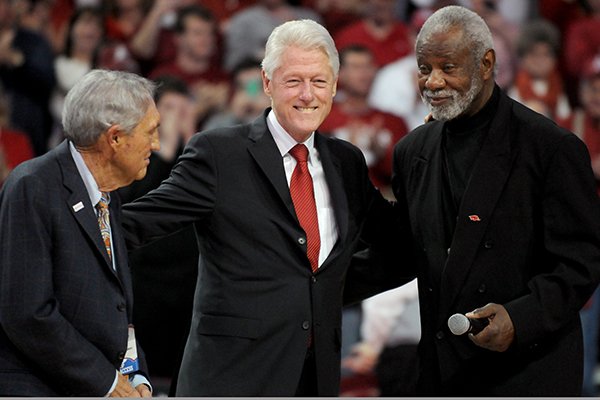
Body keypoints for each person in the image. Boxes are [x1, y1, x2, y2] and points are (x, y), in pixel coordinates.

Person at [121, 18, 402, 397]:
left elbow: (395, 245)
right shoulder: (219, 153)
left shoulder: (346, 163)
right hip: (230, 379)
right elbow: (133, 225)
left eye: (319, 81)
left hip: (313, 380)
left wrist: (319, 298)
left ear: (335, 86)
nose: (307, 94)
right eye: (293, 81)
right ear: (267, 83)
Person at [392, 5, 600, 396]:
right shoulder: (410, 152)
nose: (433, 82)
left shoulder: (550, 148)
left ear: (486, 64)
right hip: (444, 375)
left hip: (529, 374)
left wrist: (521, 319)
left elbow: (581, 260)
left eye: (448, 67)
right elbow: (401, 253)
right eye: (424, 68)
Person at [0, 69, 159, 397]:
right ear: (114, 138)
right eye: (151, 132)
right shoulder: (33, 186)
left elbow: (116, 307)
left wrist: (135, 374)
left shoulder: (107, 194)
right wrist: (109, 383)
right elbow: (27, 314)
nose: (156, 144)